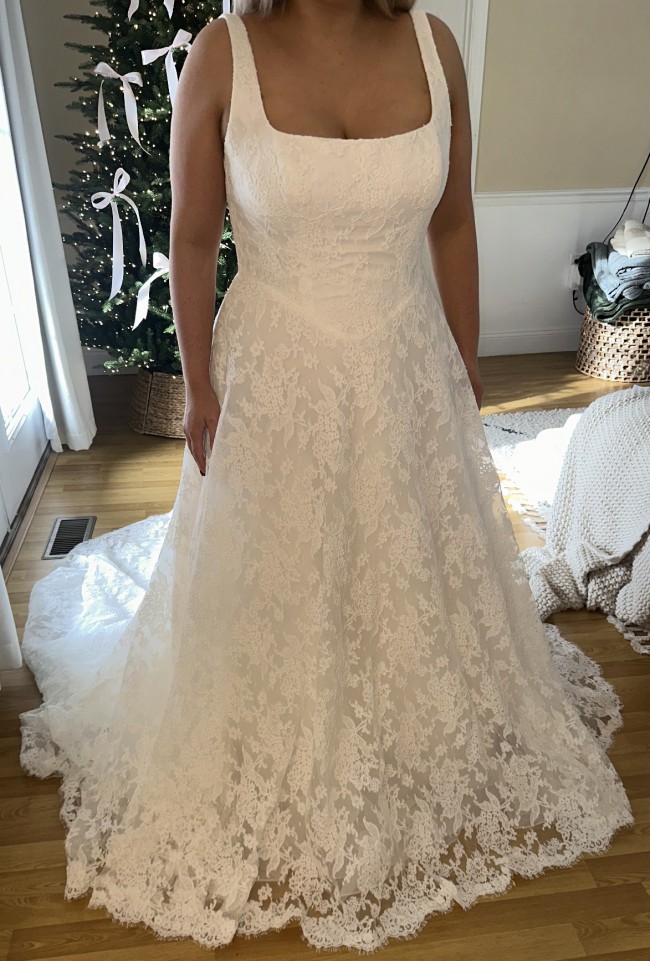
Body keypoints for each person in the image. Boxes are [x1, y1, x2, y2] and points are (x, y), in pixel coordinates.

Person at [19, 0, 634, 952]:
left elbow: (454, 222)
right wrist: (199, 384)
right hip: (274, 373)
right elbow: (192, 238)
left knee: (404, 558)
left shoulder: (434, 46)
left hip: (404, 363)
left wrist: (465, 356)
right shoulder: (223, 55)